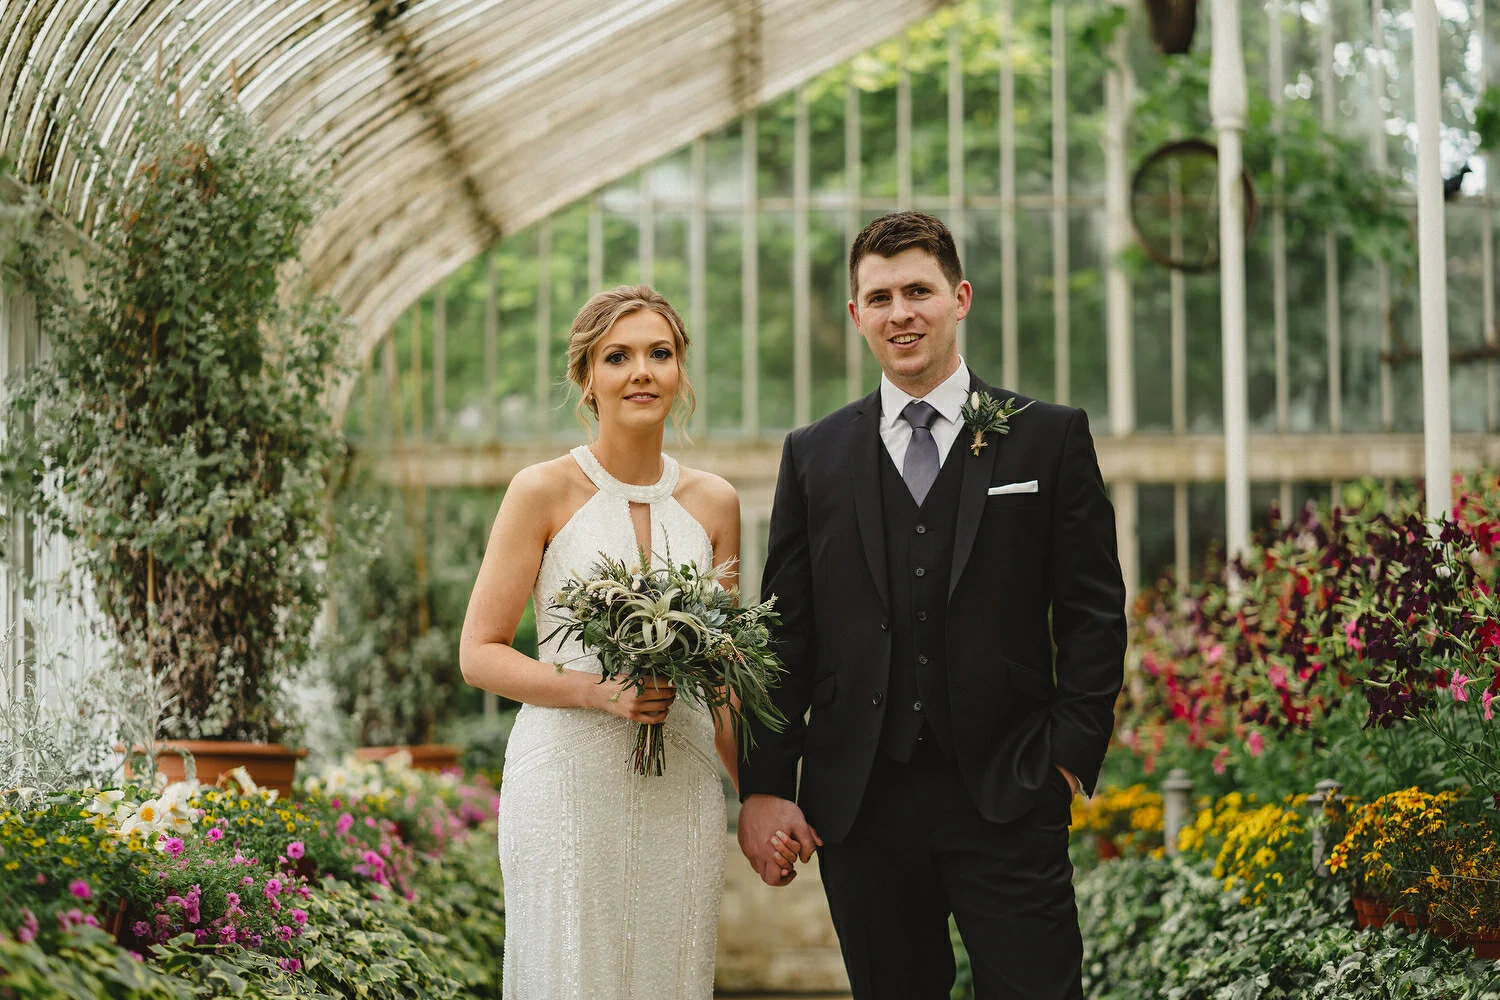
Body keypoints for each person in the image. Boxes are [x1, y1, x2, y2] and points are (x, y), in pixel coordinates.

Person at [736, 212, 1126, 1000]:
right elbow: (785, 632)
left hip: (1009, 788)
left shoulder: (1047, 437)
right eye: (878, 298)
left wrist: (1065, 756)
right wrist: (766, 784)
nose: (900, 312)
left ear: (960, 298)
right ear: (856, 315)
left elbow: (1093, 609)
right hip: (861, 801)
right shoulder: (814, 454)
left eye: (918, 291)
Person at [459, 285, 742, 1000]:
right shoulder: (541, 490)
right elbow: (480, 651)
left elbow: (724, 676)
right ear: (587, 378)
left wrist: (762, 799)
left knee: (672, 970)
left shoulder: (716, 503)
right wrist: (595, 691)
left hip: (683, 781)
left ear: (681, 372)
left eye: (660, 353)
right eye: (618, 356)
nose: (641, 371)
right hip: (565, 780)